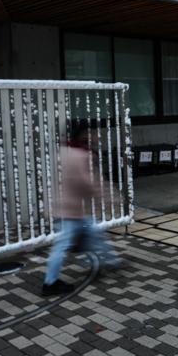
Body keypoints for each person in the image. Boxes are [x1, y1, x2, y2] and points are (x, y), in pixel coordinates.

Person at [42, 122, 121, 296]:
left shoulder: (63, 151)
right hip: (68, 211)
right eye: (91, 133)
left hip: (64, 208)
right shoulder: (80, 155)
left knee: (92, 230)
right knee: (63, 245)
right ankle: (50, 283)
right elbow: (87, 183)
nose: (95, 136)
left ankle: (110, 261)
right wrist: (109, 197)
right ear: (82, 135)